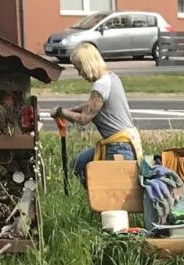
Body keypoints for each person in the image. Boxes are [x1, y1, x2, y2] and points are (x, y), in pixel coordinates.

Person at [58, 42, 143, 185]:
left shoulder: (100, 85)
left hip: (119, 147)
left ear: (87, 65)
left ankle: (97, 202)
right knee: (78, 163)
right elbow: (93, 105)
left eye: (79, 69)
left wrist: (61, 112)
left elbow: (84, 119)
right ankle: (94, 201)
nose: (80, 74)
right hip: (122, 142)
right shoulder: (112, 77)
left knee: (112, 194)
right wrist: (73, 110)